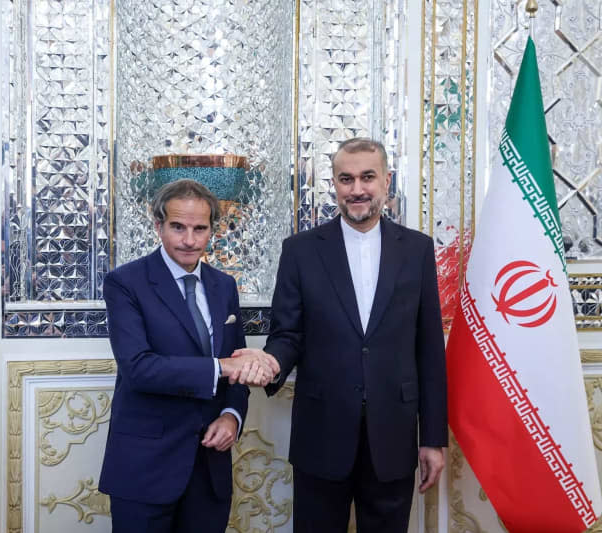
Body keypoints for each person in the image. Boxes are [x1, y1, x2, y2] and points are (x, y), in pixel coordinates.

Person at [233, 138, 447, 532]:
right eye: (345, 179)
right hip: (321, 432)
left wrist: (433, 438)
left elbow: (429, 348)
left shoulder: (417, 250)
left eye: (367, 177)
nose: (357, 189)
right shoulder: (299, 251)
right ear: (334, 183)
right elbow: (288, 333)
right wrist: (270, 361)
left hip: (394, 435)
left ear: (386, 181)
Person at [99, 179, 279, 533]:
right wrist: (223, 367)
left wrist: (231, 416)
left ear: (212, 229)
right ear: (158, 225)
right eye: (178, 227)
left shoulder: (223, 285)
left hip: (209, 468)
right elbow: (139, 368)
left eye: (200, 228)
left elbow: (236, 366)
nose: (189, 240)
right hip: (146, 468)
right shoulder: (124, 283)